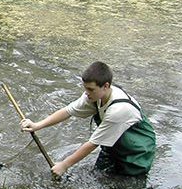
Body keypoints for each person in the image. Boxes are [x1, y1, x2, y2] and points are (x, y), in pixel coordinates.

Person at [20, 61, 156, 177]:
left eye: (91, 89)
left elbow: (93, 143)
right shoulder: (95, 96)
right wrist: (37, 125)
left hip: (136, 153)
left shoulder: (119, 110)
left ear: (106, 86)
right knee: (99, 178)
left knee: (125, 188)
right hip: (112, 147)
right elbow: (68, 111)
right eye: (85, 88)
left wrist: (64, 165)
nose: (86, 93)